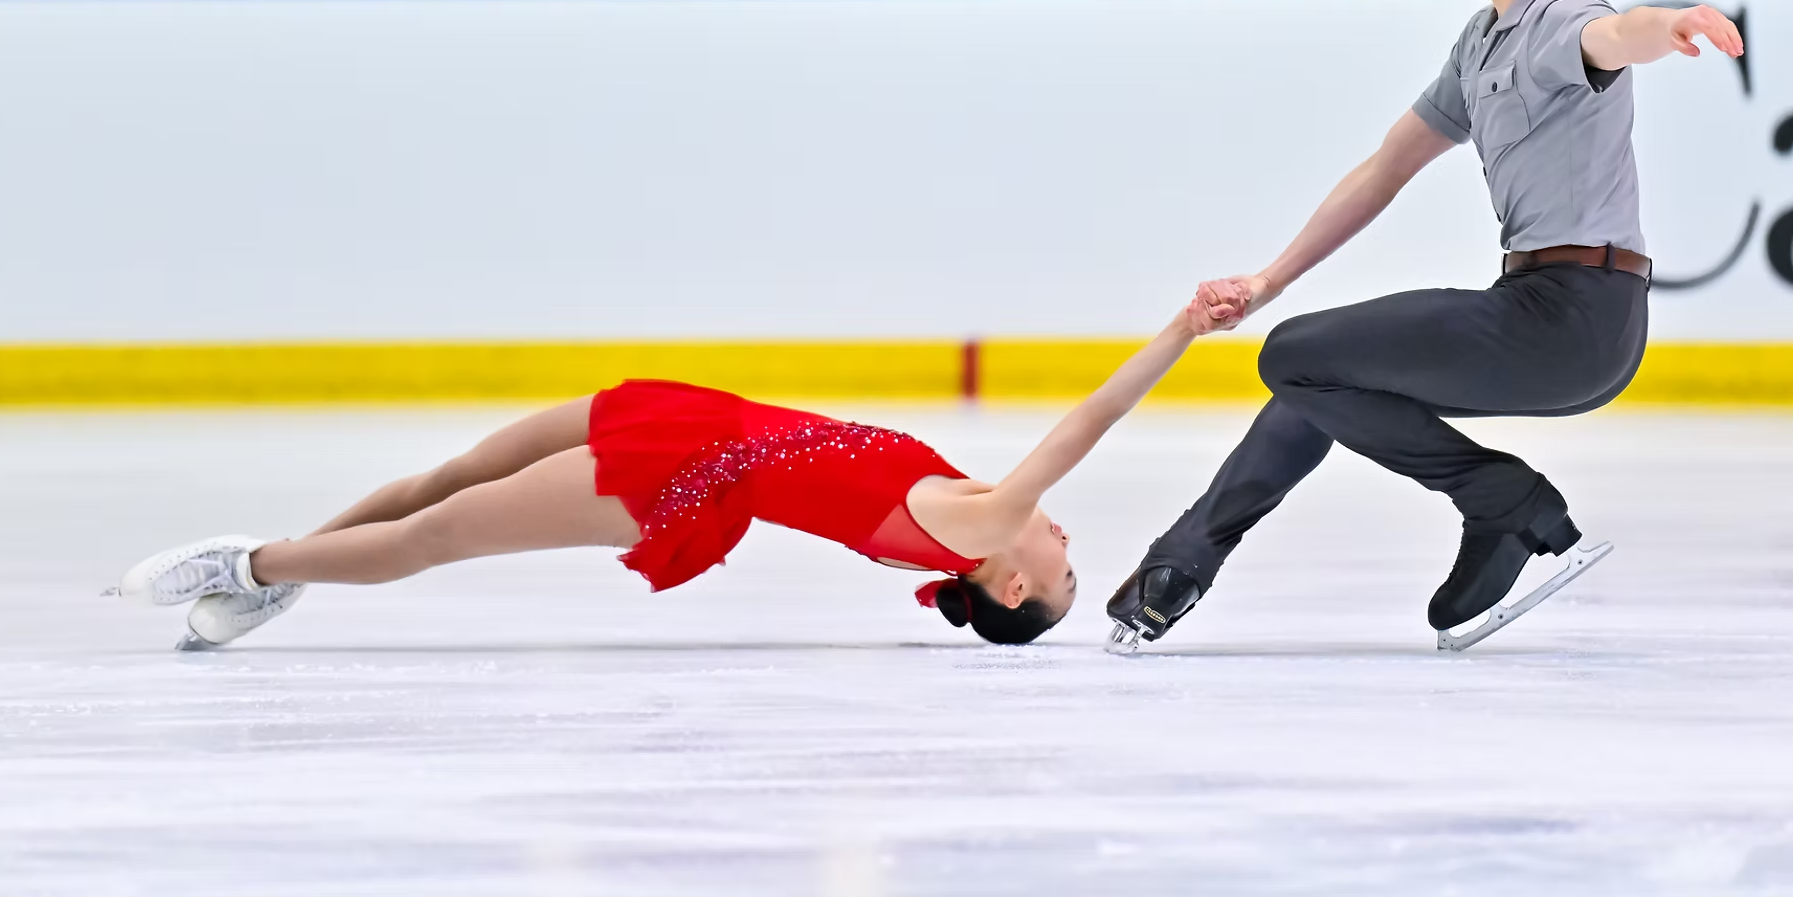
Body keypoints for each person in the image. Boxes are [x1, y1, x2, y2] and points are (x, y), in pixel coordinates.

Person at [1108, 0, 1744, 650]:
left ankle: (1503, 498)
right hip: (1538, 309)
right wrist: (1266, 282)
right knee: (1320, 375)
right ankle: (1182, 565)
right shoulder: (1482, 43)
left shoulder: (1566, 20)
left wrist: (1675, 24)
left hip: (1574, 318)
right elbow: (1384, 170)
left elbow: (1618, 39)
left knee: (1296, 356)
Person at [113, 306, 1204, 650]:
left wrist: (1183, 329)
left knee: (439, 532)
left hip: (681, 476)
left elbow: (1089, 418)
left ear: (1008, 584)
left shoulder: (982, 523)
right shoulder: (968, 513)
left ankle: (246, 562)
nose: (1064, 537)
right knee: (446, 479)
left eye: (1065, 566)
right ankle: (297, 571)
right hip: (696, 419)